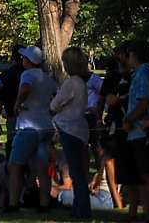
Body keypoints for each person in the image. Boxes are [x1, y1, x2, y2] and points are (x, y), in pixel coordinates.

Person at [9, 44, 56, 208]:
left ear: (28, 60)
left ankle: (13, 203)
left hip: (28, 126)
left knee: (14, 166)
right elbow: (56, 95)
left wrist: (17, 104)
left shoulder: (27, 74)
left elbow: (25, 88)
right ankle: (44, 203)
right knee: (42, 168)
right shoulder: (47, 78)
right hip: (46, 126)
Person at [54, 46, 96, 220]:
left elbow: (55, 104)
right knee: (80, 171)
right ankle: (80, 206)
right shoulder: (82, 82)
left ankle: (83, 209)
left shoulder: (71, 83)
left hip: (70, 128)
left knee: (76, 172)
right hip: (80, 128)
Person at [124, 40, 149, 222]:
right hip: (136, 134)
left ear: (133, 54)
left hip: (142, 132)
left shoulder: (143, 74)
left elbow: (144, 103)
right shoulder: (139, 74)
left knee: (146, 176)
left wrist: (129, 120)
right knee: (140, 176)